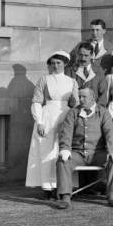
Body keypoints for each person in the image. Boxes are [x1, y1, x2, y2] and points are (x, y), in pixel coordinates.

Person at [55, 86, 113, 209]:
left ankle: (112, 195)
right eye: (79, 96)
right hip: (77, 153)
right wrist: (65, 149)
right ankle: (65, 197)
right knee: (62, 161)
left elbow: (110, 133)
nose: (80, 99)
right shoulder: (73, 113)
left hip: (97, 153)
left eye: (84, 96)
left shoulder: (103, 112)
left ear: (92, 97)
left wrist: (112, 150)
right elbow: (66, 133)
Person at [26, 51, 79, 198]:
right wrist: (40, 122)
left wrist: (74, 108)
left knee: (61, 150)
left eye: (59, 63)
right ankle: (47, 188)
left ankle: (63, 187)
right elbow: (36, 101)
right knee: (46, 150)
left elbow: (75, 103)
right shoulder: (44, 79)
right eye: (53, 63)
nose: (56, 66)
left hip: (65, 116)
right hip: (48, 116)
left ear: (65, 64)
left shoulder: (72, 81)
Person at [69, 42, 107, 108]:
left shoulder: (98, 71)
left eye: (86, 55)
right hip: (75, 109)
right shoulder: (70, 71)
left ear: (92, 55)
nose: (83, 58)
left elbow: (103, 93)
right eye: (80, 55)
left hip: (94, 110)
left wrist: (97, 109)